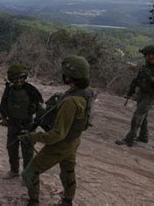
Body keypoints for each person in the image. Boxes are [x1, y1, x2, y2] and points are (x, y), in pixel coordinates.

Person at [19, 55, 95, 206]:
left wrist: (31, 137)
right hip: (73, 141)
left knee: (29, 174)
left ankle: (33, 202)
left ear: (71, 76)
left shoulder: (70, 102)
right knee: (67, 172)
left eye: (66, 73)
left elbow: (56, 135)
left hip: (60, 144)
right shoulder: (86, 93)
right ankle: (67, 201)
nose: (63, 75)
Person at [116, 45, 154, 147]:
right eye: (146, 55)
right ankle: (143, 137)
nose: (146, 57)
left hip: (151, 95)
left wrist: (152, 79)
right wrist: (131, 90)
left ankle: (130, 139)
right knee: (143, 116)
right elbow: (137, 79)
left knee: (138, 116)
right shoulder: (146, 66)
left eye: (149, 55)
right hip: (142, 93)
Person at [0, 64, 43, 179]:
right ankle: (14, 170)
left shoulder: (31, 90)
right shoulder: (9, 90)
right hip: (13, 124)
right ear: (11, 79)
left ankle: (27, 174)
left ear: (25, 77)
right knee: (11, 148)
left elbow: (40, 109)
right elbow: (2, 106)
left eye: (21, 77)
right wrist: (3, 119)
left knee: (27, 151)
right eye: (15, 78)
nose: (18, 81)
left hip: (28, 124)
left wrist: (34, 124)